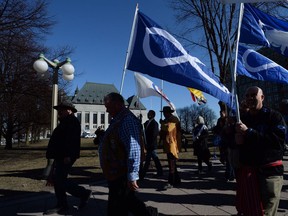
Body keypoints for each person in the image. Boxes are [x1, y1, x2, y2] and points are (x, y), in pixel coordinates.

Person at [98, 92, 158, 216]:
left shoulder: (127, 120)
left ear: (117, 104)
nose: (107, 110)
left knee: (118, 204)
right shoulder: (118, 119)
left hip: (122, 171)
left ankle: (148, 213)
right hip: (116, 171)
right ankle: (149, 213)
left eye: (108, 106)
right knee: (125, 201)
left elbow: (133, 148)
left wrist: (132, 174)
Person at [235, 86, 286, 216]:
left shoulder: (274, 116)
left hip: (269, 173)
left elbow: (277, 142)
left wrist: (249, 132)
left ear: (262, 97)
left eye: (253, 95)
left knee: (265, 212)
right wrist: (235, 138)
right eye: (247, 96)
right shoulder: (243, 119)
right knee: (250, 211)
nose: (250, 98)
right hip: (249, 174)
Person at [44, 101, 92, 215]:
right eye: (58, 109)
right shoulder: (65, 121)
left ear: (69, 110)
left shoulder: (72, 122)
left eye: (62, 109)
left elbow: (72, 140)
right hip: (61, 155)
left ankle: (81, 195)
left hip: (65, 156)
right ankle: (63, 203)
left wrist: (68, 155)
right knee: (58, 180)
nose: (59, 112)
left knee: (59, 180)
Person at [159, 106, 181, 190]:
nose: (164, 114)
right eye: (163, 113)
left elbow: (169, 129)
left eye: (165, 113)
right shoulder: (167, 120)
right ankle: (177, 180)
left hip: (173, 145)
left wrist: (162, 124)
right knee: (172, 164)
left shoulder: (174, 119)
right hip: (168, 145)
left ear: (169, 112)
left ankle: (171, 182)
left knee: (171, 163)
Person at [140, 110, 163, 180]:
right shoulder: (147, 123)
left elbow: (154, 135)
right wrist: (140, 119)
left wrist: (149, 144)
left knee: (147, 161)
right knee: (155, 159)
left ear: (152, 115)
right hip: (148, 145)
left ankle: (142, 175)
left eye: (148, 114)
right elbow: (141, 126)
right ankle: (160, 172)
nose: (147, 115)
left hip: (151, 145)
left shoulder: (155, 124)